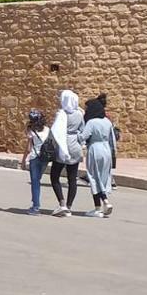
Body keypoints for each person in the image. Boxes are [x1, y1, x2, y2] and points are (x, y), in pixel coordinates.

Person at [79, 95, 117, 217]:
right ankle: (104, 200)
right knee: (103, 176)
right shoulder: (107, 122)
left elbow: (83, 137)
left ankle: (99, 206)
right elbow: (112, 138)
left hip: (95, 149)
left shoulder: (91, 122)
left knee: (94, 177)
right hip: (106, 149)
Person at [50, 89, 84, 217]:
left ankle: (62, 203)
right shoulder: (79, 114)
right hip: (75, 145)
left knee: (55, 176)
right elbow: (82, 130)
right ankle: (69, 206)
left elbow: (55, 131)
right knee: (72, 178)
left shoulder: (61, 114)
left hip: (63, 145)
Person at [21, 109, 50, 215]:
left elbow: (28, 148)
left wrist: (24, 160)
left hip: (34, 157)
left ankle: (36, 206)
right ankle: (36, 205)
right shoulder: (47, 129)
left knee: (35, 182)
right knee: (38, 179)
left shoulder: (31, 130)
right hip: (45, 157)